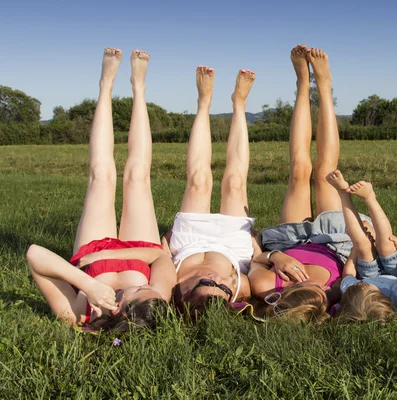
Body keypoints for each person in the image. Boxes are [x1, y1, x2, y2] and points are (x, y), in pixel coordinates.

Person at [26, 48, 176, 331]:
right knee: (137, 177)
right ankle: (139, 87)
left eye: (138, 291)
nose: (146, 288)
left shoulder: (78, 313)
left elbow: (34, 254)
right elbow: (160, 258)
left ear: (120, 310)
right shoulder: (158, 300)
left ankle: (105, 84)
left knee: (101, 177)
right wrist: (108, 258)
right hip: (139, 248)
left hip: (93, 248)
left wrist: (86, 283)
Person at [248, 45, 372, 324]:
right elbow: (362, 270)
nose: (316, 286)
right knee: (325, 171)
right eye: (320, 293)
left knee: (299, 170)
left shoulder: (266, 287)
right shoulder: (336, 292)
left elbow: (254, 259)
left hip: (289, 239)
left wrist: (276, 257)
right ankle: (325, 86)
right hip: (335, 240)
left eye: (302, 287)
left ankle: (303, 84)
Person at [164, 66, 259, 315]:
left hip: (188, 244)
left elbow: (158, 260)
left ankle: (203, 102)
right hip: (233, 248)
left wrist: (164, 239)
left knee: (199, 180)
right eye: (221, 286)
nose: (211, 277)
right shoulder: (243, 289)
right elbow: (261, 267)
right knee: (235, 182)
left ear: (185, 296)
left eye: (204, 283)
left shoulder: (169, 288)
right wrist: (256, 243)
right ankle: (240, 104)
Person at [325, 170, 397, 322]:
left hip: (370, 274)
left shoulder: (354, 291)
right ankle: (370, 198)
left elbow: (348, 274)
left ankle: (343, 194)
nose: (362, 285)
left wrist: (355, 250)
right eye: (365, 286)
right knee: (386, 245)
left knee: (362, 245)